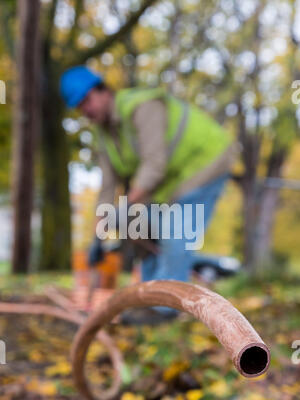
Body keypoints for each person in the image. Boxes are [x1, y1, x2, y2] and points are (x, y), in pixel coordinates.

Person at [60, 65, 240, 323]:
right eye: (80, 107)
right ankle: (150, 299)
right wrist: (97, 237)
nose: (86, 110)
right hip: (172, 182)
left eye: (87, 100)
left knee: (175, 229)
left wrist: (127, 209)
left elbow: (154, 166)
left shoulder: (142, 107)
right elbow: (107, 188)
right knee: (136, 224)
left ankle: (167, 311)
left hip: (206, 162)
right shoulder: (104, 135)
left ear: (103, 91)